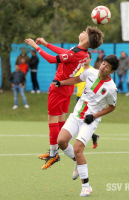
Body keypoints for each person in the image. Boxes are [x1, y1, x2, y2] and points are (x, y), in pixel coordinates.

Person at [24, 26, 104, 170]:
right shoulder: (83, 53)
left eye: (84, 32)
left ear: (86, 40)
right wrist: (46, 44)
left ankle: (54, 153)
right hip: (67, 88)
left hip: (59, 87)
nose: (82, 32)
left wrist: (36, 46)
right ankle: (64, 154)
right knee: (60, 119)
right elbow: (64, 53)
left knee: (52, 119)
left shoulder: (78, 52)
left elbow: (51, 59)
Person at [54, 55, 119, 197]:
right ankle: (77, 162)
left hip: (90, 120)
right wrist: (61, 82)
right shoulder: (90, 72)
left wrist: (94, 116)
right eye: (103, 63)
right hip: (76, 115)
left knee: (78, 149)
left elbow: (112, 107)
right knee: (61, 141)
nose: (103, 67)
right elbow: (77, 80)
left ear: (112, 71)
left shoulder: (111, 88)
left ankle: (86, 186)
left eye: (107, 66)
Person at [74, 52, 100, 149]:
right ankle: (93, 136)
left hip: (89, 100)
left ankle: (84, 139)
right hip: (79, 98)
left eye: (87, 57)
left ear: (90, 59)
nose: (85, 59)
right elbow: (74, 83)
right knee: (79, 120)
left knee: (85, 120)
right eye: (84, 57)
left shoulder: (94, 71)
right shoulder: (78, 70)